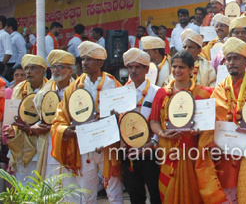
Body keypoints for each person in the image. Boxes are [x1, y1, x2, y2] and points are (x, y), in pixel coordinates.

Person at [199, 37, 246, 203]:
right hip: (225, 154)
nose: (231, 62)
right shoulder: (219, 88)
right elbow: (211, 121)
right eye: (229, 59)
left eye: (236, 58)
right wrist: (212, 144)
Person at [51, 41, 123, 204]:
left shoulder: (114, 84)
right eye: (83, 59)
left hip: (108, 147)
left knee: (114, 191)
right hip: (84, 147)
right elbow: (60, 117)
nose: (84, 63)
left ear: (100, 62)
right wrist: (64, 130)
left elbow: (124, 115)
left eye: (89, 59)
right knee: (86, 193)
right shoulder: (73, 88)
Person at [149, 51, 212, 203]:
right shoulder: (162, 94)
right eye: (174, 66)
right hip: (167, 150)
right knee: (168, 191)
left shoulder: (204, 94)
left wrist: (200, 131)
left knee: (192, 192)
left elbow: (208, 125)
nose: (176, 70)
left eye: (181, 67)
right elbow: (154, 121)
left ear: (191, 69)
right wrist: (162, 134)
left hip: (192, 152)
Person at [121, 48, 161, 204]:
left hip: (150, 151)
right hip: (128, 151)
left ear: (147, 69)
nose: (133, 70)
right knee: (134, 195)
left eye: (138, 67)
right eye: (130, 67)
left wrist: (153, 144)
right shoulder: (120, 93)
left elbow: (161, 122)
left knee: (156, 194)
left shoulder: (157, 92)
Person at [32, 50, 76, 189]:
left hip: (71, 141)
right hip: (50, 141)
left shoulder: (78, 90)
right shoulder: (43, 93)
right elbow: (39, 118)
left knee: (71, 185)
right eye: (53, 67)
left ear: (70, 71)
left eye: (60, 67)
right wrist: (34, 127)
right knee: (50, 180)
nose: (56, 70)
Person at [4, 54, 47, 185]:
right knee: (22, 184)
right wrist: (11, 128)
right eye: (27, 68)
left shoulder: (50, 89)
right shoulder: (18, 89)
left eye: (33, 68)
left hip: (42, 143)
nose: (28, 72)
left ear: (43, 71)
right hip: (21, 143)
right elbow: (11, 116)